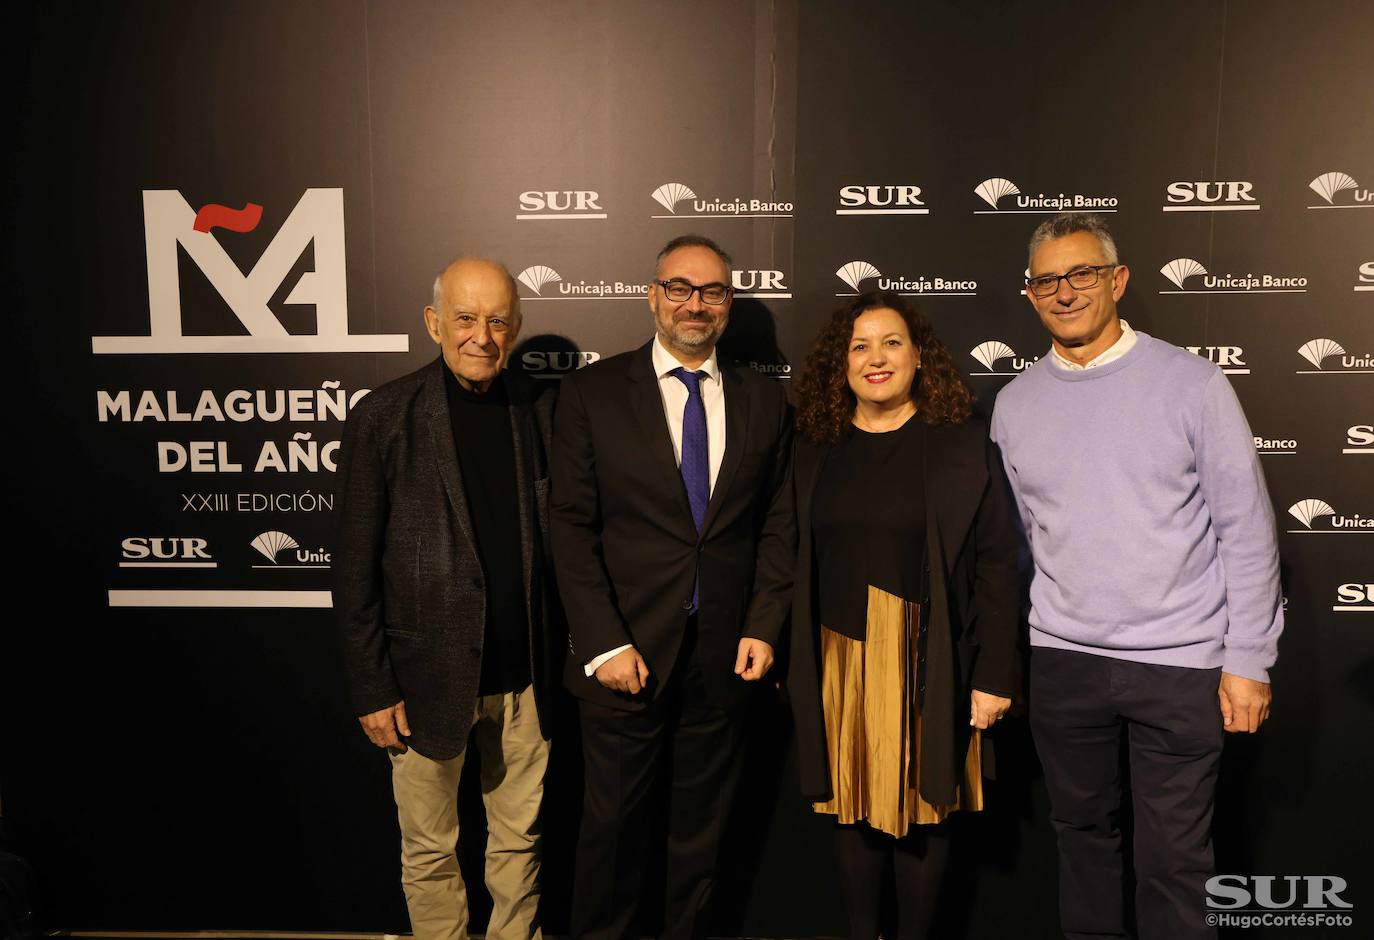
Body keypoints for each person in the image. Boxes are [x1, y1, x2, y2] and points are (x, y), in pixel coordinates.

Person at [990, 213, 1283, 940]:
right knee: (1082, 844)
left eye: (1082, 274)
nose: (1065, 293)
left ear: (1116, 280)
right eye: (1047, 280)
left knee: (1175, 862)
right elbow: (1019, 546)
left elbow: (1246, 528)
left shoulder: (1192, 383)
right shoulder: (1014, 404)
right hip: (1064, 663)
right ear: (1029, 295)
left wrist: (1248, 659)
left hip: (1181, 666)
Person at [549, 234, 793, 940]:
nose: (696, 303)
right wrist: (602, 642)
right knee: (612, 840)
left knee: (701, 842)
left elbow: (777, 526)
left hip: (723, 658)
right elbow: (569, 527)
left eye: (712, 291)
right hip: (623, 661)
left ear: (729, 305)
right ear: (652, 295)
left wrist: (762, 624)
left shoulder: (763, 402)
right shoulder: (591, 393)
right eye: (680, 288)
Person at [334, 258, 560, 940]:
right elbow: (353, 571)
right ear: (434, 323)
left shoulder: (540, 413)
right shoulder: (383, 416)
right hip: (422, 681)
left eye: (497, 320)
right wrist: (373, 687)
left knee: (519, 848)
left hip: (524, 685)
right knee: (431, 852)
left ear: (515, 327)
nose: (481, 336)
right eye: (465, 318)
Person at [786, 292, 1021, 940]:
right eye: (859, 345)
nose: (875, 358)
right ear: (841, 362)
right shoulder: (813, 446)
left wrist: (994, 672)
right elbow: (786, 552)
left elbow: (998, 564)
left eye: (891, 342)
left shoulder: (961, 445)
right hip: (837, 658)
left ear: (919, 357)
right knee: (852, 810)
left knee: (925, 811)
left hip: (930, 655)